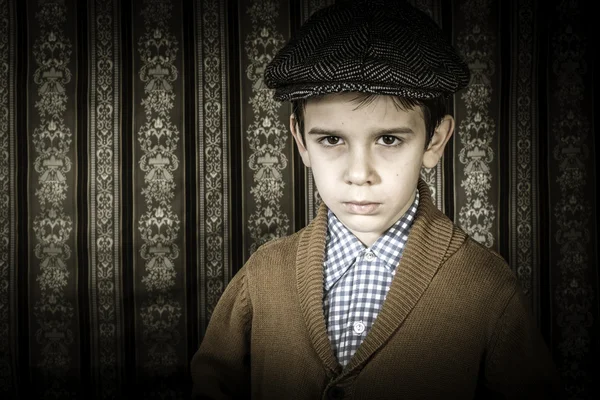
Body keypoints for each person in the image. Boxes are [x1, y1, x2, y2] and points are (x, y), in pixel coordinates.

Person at [190, 0, 562, 398]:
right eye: (332, 140)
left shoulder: (486, 286)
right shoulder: (264, 273)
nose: (358, 174)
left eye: (389, 139)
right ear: (300, 141)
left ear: (434, 141)